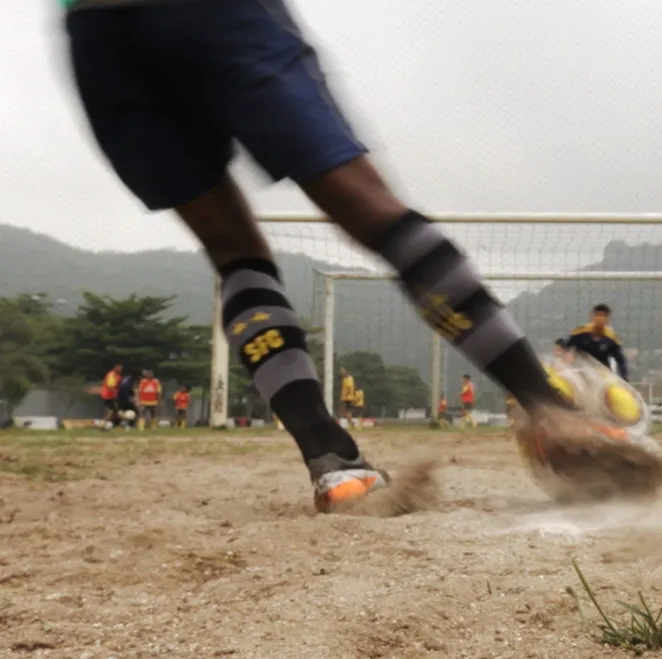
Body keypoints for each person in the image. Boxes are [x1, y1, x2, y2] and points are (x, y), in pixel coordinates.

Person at [60, 0, 594, 512]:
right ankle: (553, 411)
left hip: (97, 33)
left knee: (233, 251)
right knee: (370, 210)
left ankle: (332, 461)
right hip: (213, 13)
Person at [564, 304, 628, 380]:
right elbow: (567, 346)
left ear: (607, 319)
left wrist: (624, 377)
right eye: (597, 315)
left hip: (602, 372)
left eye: (602, 316)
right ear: (592, 316)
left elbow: (620, 360)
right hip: (581, 370)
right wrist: (568, 353)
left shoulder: (611, 338)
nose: (599, 319)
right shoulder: (581, 332)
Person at [99, 364, 122, 430]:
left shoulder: (117, 376)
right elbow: (110, 386)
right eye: (119, 368)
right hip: (108, 396)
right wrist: (116, 392)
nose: (120, 370)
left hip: (112, 396)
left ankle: (110, 424)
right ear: (115, 368)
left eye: (121, 368)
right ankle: (104, 424)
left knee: (114, 411)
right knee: (111, 411)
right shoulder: (111, 375)